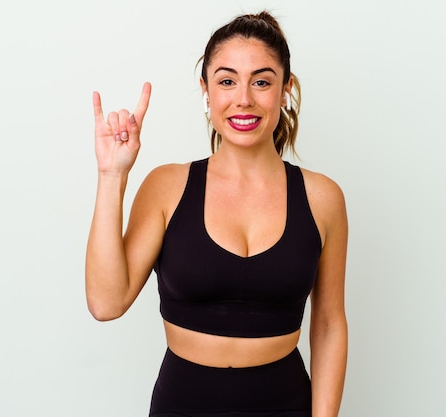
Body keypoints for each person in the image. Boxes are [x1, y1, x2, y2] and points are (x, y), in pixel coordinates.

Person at [86, 11, 348, 417]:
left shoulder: (322, 197)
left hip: (286, 405)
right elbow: (106, 303)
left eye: (261, 81)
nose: (244, 98)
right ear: (206, 90)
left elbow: (329, 325)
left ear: (285, 90)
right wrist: (111, 175)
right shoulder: (166, 187)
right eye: (227, 81)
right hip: (181, 404)